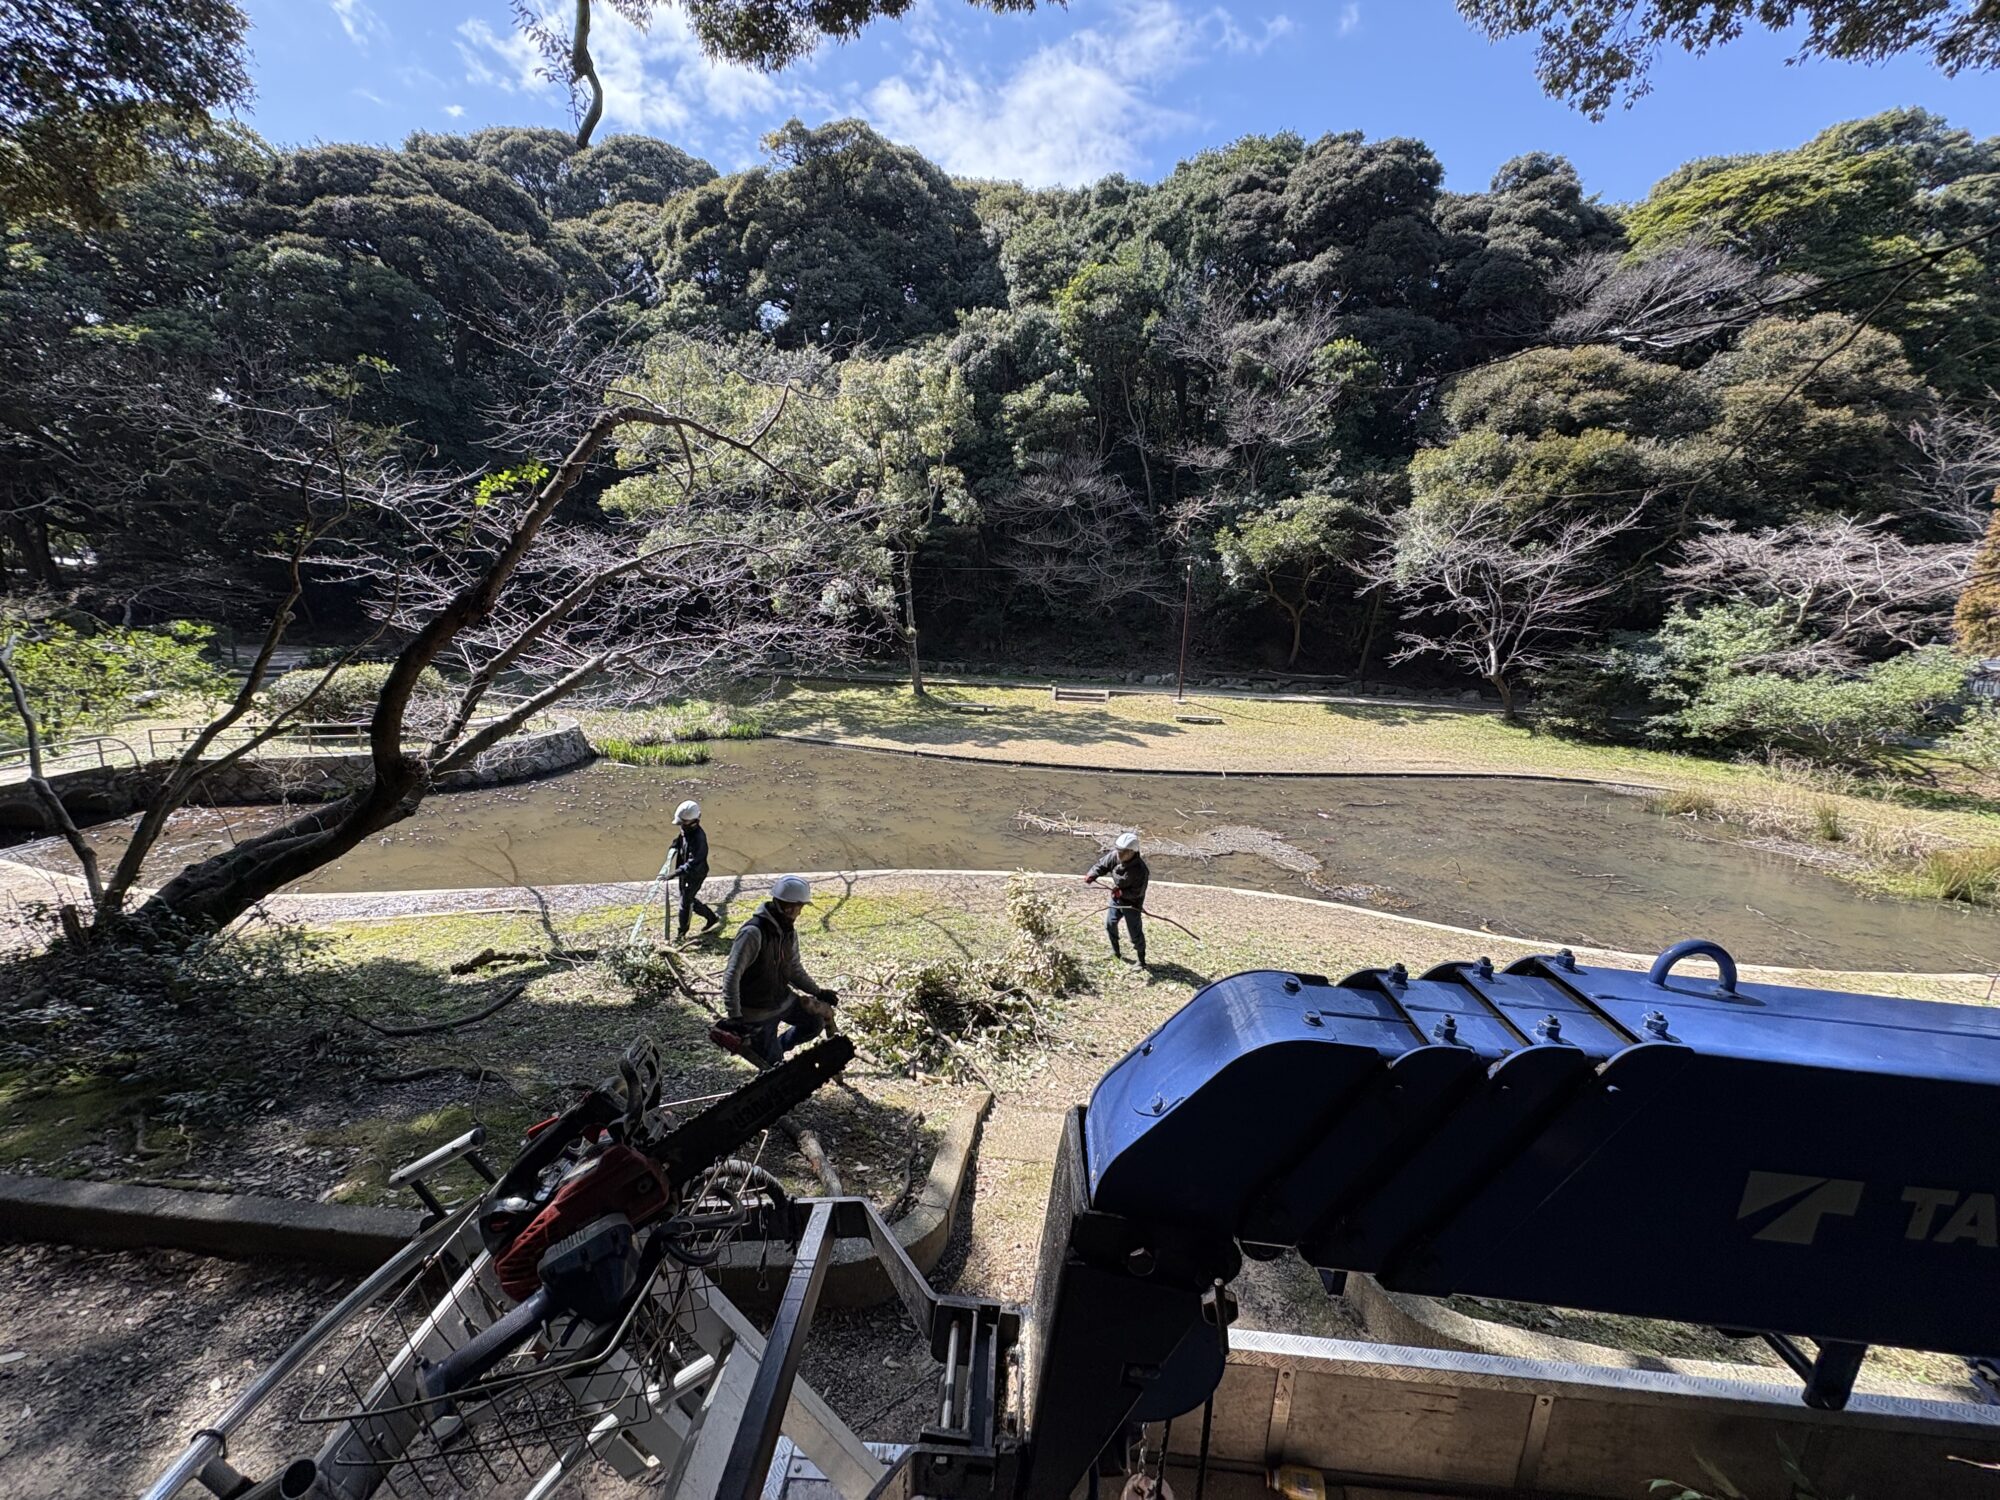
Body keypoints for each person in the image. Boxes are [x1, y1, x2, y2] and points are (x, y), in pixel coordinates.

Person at [712, 874, 841, 1067]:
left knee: (815, 1022)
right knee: (774, 1068)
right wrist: (735, 1017)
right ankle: (772, 1055)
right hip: (756, 1012)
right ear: (776, 902)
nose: (793, 911)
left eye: (798, 907)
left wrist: (817, 992)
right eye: (788, 905)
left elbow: (794, 969)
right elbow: (732, 975)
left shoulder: (789, 932)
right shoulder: (753, 933)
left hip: (783, 1000)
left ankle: (779, 1047)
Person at [1085, 831, 1150, 968]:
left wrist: (1122, 893)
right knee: (1110, 924)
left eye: (1123, 852)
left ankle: (1141, 960)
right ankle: (1115, 952)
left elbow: (1138, 892)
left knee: (1134, 933)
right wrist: (1092, 874)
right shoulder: (1115, 856)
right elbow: (1102, 865)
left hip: (1132, 904)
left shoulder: (1141, 870)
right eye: (1118, 850)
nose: (1119, 854)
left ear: (1132, 852)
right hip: (1116, 899)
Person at [667, 799, 720, 942]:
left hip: (695, 874)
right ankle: (712, 917)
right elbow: (681, 840)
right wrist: (674, 846)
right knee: (687, 899)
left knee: (685, 904)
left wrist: (676, 873)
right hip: (685, 873)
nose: (681, 826)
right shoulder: (686, 830)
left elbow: (694, 862)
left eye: (683, 823)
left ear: (693, 821)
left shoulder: (699, 838)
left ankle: (681, 933)